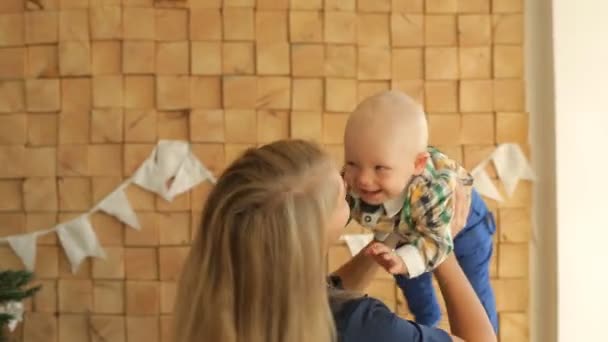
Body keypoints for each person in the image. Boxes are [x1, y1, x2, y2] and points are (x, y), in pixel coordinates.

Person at [173, 139, 496, 342]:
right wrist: (440, 246)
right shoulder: (361, 326)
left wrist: (387, 238)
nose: (356, 185)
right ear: (315, 233)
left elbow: (326, 294)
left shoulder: (220, 299)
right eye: (343, 194)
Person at [342, 90, 498, 331]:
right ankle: (427, 318)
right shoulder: (352, 180)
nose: (363, 179)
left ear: (417, 165)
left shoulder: (430, 191)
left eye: (379, 168)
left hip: (463, 227)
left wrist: (405, 260)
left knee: (473, 289)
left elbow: (437, 244)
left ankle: (490, 331)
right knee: (407, 276)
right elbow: (338, 205)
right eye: (352, 163)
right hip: (405, 223)